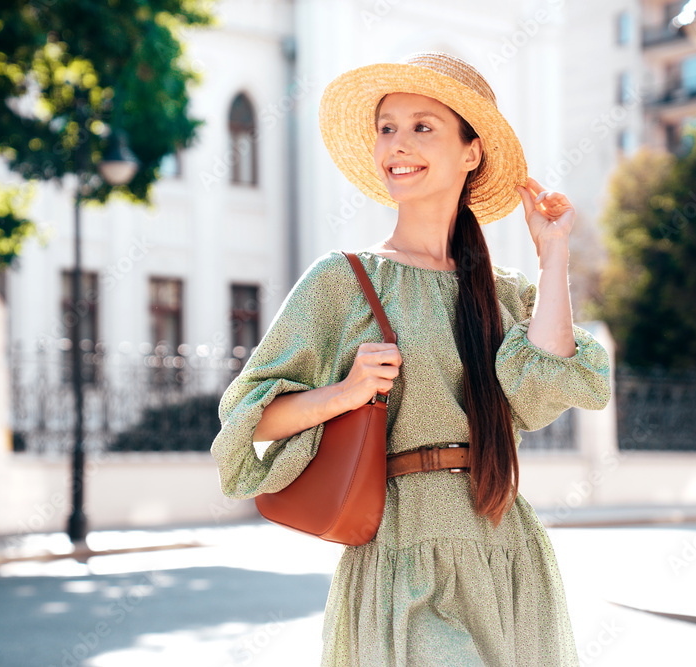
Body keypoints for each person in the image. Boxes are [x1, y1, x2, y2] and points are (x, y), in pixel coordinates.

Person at [211, 51, 611, 666]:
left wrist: (553, 253)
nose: (398, 143)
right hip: (399, 553)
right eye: (387, 127)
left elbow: (547, 382)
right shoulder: (342, 280)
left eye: (423, 126)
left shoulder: (500, 292)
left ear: (471, 151)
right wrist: (344, 393)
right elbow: (250, 415)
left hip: (501, 546)